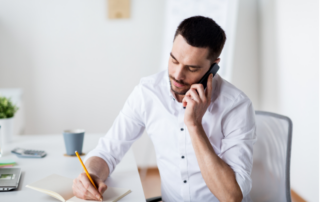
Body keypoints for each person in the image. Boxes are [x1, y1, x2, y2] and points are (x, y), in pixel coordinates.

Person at [72, 16, 256, 202]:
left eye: (191, 68)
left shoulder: (236, 106)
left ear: (213, 66)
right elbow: (108, 151)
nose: (177, 75)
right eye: (174, 60)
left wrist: (194, 126)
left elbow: (232, 197)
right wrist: (91, 176)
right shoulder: (148, 93)